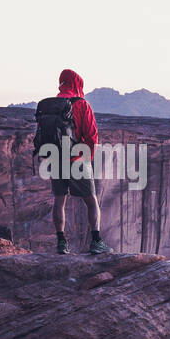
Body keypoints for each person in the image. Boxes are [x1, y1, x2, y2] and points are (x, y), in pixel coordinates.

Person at [36, 69, 111, 254]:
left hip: (54, 158)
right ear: (78, 83)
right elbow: (92, 136)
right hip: (77, 159)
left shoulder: (50, 106)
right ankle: (96, 241)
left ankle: (61, 242)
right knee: (91, 201)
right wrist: (87, 160)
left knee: (59, 201)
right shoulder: (82, 105)